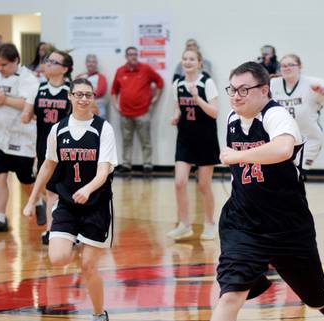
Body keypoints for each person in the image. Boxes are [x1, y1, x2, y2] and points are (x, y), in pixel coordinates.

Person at [182, 62, 324, 321]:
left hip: (287, 227)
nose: (236, 96)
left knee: (315, 301)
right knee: (229, 295)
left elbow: (283, 149)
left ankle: (321, 296)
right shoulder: (231, 120)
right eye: (232, 90)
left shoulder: (276, 116)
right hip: (244, 221)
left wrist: (238, 157)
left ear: (264, 91)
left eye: (244, 90)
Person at [22, 78, 118, 321]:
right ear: (70, 97)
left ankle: (99, 315)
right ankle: (75, 241)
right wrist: (32, 200)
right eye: (79, 94)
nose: (84, 99)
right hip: (67, 203)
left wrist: (87, 189)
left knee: (88, 265)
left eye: (88, 94)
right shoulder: (58, 129)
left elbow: (104, 171)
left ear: (93, 97)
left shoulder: (103, 129)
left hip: (96, 203)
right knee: (58, 258)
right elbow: (47, 165)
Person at [0, 43, 40, 233]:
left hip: (21, 137)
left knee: (25, 179)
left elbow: (27, 104)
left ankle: (38, 202)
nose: (0, 68)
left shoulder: (27, 78)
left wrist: (4, 100)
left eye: (4, 64)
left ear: (15, 61)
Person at [167, 49, 220, 241]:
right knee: (179, 182)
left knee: (203, 185)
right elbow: (178, 108)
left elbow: (214, 112)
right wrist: (175, 116)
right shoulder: (178, 83)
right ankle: (184, 224)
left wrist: (197, 98)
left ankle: (209, 224)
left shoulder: (207, 82)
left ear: (199, 63)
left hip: (205, 139)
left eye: (192, 59)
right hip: (185, 139)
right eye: (185, 59)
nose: (188, 62)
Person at [22, 49, 73, 244]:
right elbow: (26, 117)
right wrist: (26, 110)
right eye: (47, 61)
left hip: (67, 147)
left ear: (65, 69)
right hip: (44, 146)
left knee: (66, 191)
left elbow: (90, 112)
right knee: (51, 190)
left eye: (54, 62)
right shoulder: (38, 89)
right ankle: (52, 231)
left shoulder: (71, 90)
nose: (48, 64)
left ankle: (70, 230)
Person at [271, 54, 324, 170]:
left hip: (308, 139)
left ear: (300, 67)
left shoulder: (311, 83)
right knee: (281, 174)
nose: (287, 68)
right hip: (283, 138)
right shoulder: (273, 84)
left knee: (297, 173)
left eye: (291, 65)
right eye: (283, 65)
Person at [111, 46, 164, 175]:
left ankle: (147, 164)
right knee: (126, 141)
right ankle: (126, 164)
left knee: (146, 140)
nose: (133, 56)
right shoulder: (120, 71)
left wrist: (156, 98)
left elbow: (160, 82)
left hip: (143, 112)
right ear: (126, 56)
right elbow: (114, 90)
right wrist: (116, 105)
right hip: (125, 114)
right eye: (130, 54)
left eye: (135, 54)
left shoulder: (145, 69)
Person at [75, 54, 108, 119]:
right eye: (89, 62)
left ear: (96, 64)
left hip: (97, 108)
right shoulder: (79, 77)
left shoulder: (101, 77)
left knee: (99, 127)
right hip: (82, 108)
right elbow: (74, 91)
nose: (91, 64)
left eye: (93, 62)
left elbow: (100, 92)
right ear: (86, 63)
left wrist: (82, 93)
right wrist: (91, 92)